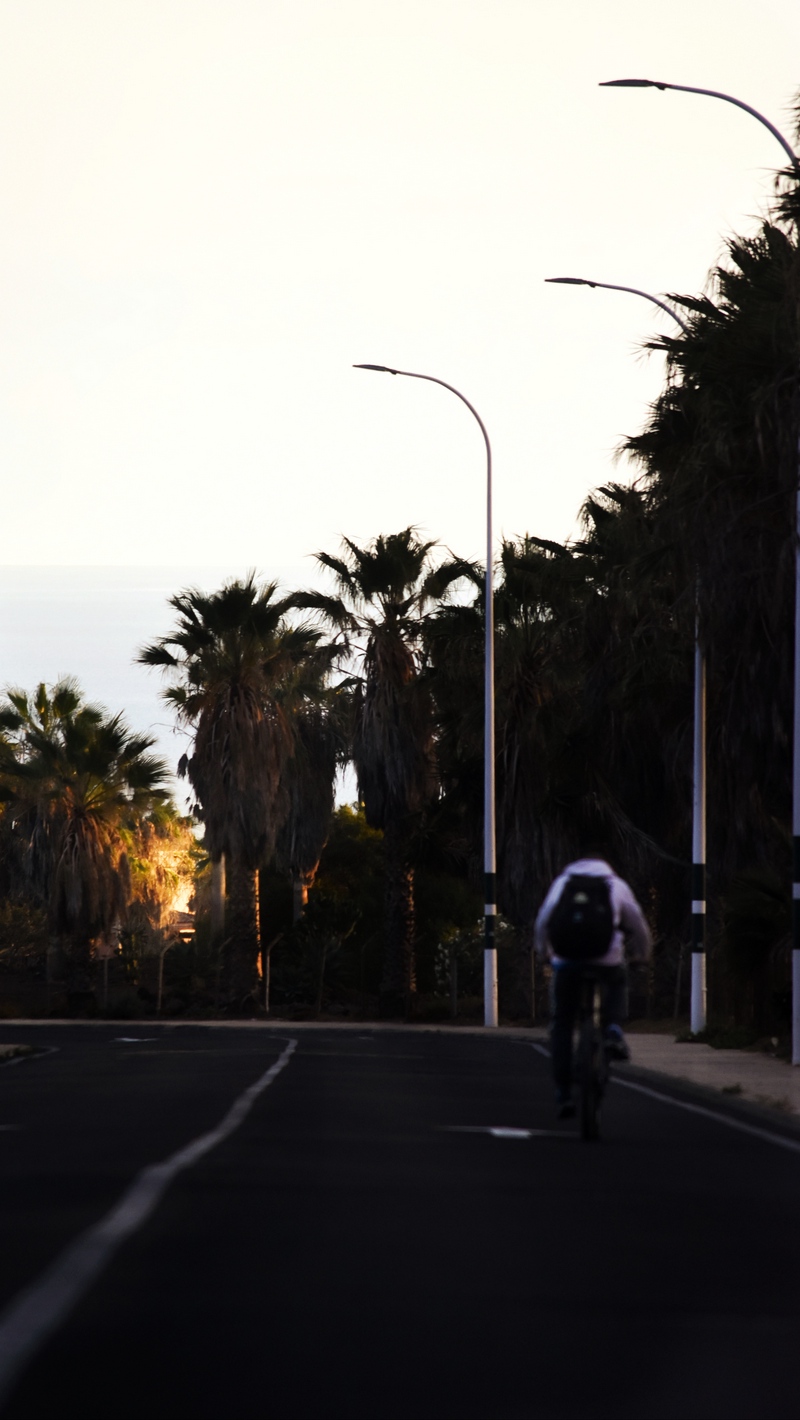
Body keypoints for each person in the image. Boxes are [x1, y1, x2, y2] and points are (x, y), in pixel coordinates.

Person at [534, 850, 652, 1118]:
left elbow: (543, 920)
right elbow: (638, 924)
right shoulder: (615, 884)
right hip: (606, 959)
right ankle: (612, 1029)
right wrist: (642, 955)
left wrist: (544, 952)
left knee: (562, 1022)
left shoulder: (563, 883)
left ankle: (563, 1092)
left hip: (566, 961)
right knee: (617, 979)